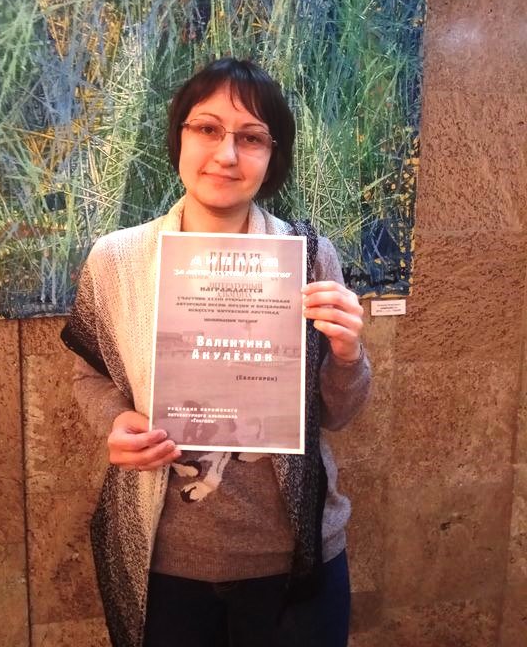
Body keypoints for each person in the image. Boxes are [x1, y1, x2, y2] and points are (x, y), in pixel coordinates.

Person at [61, 57, 371, 647]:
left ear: (272, 156)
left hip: (291, 558)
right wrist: (116, 420)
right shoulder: (116, 260)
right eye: (207, 128)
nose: (226, 154)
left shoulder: (309, 256)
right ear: (179, 136)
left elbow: (338, 414)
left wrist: (348, 354)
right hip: (164, 558)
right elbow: (89, 376)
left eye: (251, 137)